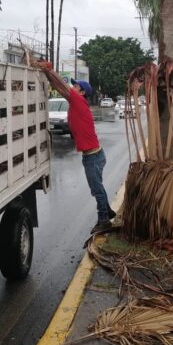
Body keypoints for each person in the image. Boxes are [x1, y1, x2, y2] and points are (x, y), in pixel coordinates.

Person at [34, 61, 115, 233]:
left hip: (93, 156)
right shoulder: (75, 104)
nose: (73, 88)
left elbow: (62, 87)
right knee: (97, 187)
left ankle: (104, 220)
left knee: (96, 189)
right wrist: (49, 75)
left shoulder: (78, 101)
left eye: (76, 86)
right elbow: (60, 87)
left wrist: (49, 70)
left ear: (82, 92)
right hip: (93, 155)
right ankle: (107, 211)